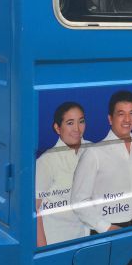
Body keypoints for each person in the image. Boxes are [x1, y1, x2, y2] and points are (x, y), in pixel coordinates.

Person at [70, 91, 132, 235]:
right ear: (110, 119)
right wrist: (105, 227)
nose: (127, 119)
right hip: (107, 228)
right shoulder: (94, 153)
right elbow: (78, 200)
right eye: (121, 114)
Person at [36, 102, 91, 246]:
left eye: (81, 121)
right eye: (70, 123)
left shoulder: (93, 151)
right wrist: (43, 249)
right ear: (57, 128)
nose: (77, 129)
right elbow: (35, 210)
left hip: (87, 238)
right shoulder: (47, 161)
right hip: (57, 242)